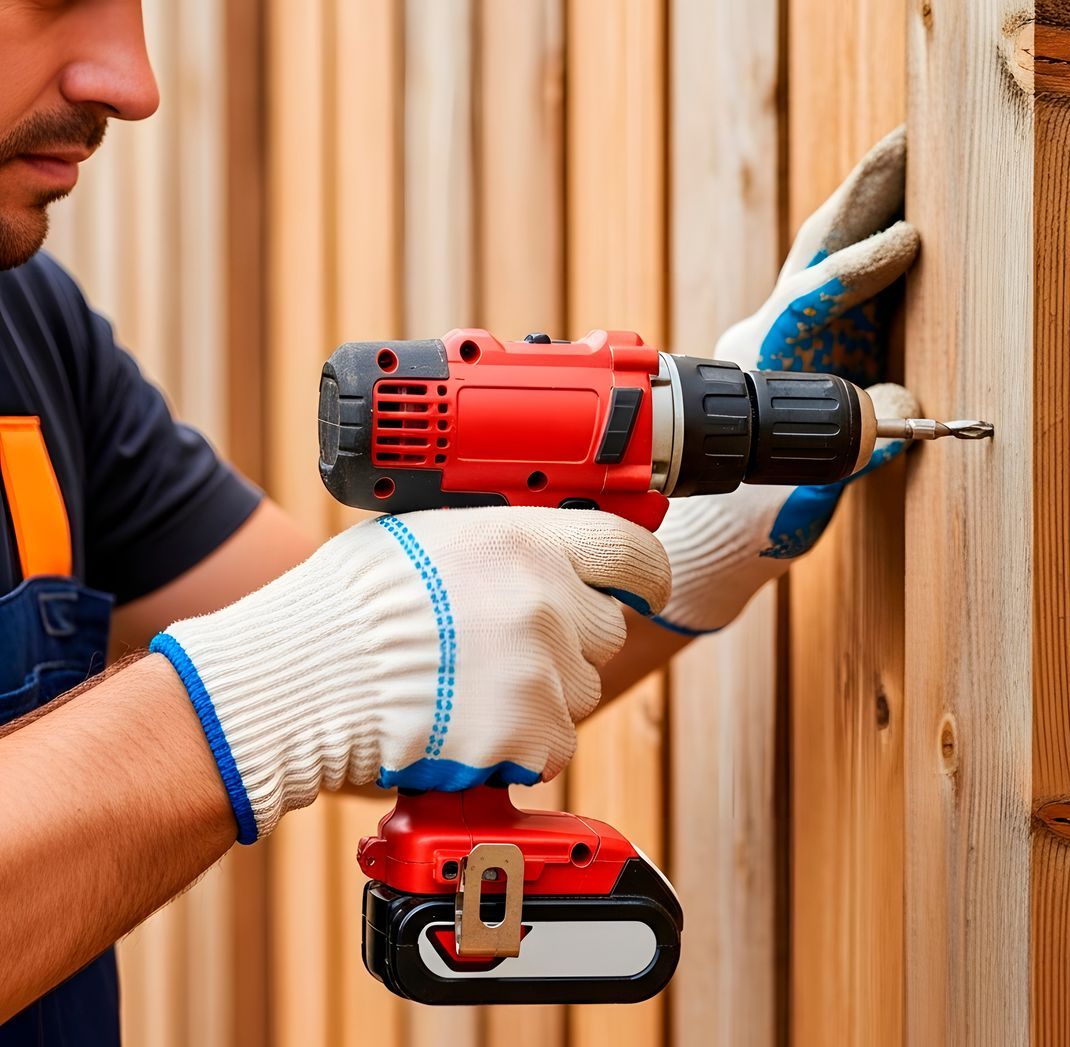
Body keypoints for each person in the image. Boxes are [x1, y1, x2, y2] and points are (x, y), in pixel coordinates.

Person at [0, 2, 919, 1040]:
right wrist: (287, 684)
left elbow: (423, 685)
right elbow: (296, 681)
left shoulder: (28, 326)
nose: (133, 81)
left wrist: (724, 511)